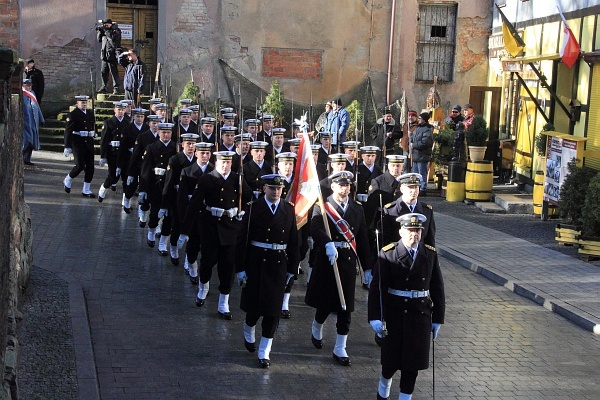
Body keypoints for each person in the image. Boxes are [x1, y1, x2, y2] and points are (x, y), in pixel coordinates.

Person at [368, 213, 445, 400]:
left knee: (413, 365)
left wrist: (437, 319)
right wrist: (375, 317)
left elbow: (437, 287)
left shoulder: (430, 254)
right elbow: (377, 288)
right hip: (395, 315)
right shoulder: (389, 253)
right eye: (410, 231)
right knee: (390, 363)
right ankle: (383, 389)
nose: (414, 235)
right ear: (401, 231)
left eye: (418, 231)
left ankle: (405, 397)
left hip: (419, 316)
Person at [305, 171, 372, 366]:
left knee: (346, 306)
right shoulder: (322, 206)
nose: (345, 188)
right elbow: (315, 228)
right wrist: (327, 243)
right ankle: (317, 325)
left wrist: (367, 267)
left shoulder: (357, 209)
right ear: (333, 186)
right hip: (327, 260)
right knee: (326, 303)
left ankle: (340, 346)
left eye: (347, 185)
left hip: (347, 261)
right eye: (341, 185)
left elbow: (363, 238)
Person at [235, 174, 300, 368]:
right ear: (264, 189)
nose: (276, 192)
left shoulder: (288, 210)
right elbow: (242, 241)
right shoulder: (253, 208)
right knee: (254, 309)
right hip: (256, 264)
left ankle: (264, 350)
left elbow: (294, 241)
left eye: (279, 189)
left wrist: (292, 268)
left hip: (277, 265)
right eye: (272, 188)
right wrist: (240, 269)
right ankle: (248, 329)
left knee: (273, 312)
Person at [179, 151, 252, 319]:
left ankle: (223, 303)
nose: (225, 166)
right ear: (216, 162)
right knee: (207, 262)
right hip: (211, 227)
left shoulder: (237, 179)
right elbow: (194, 204)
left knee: (228, 266)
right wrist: (185, 231)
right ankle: (203, 288)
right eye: (222, 163)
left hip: (231, 228)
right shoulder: (207, 179)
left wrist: (242, 212)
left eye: (228, 163)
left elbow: (250, 199)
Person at [160, 133, 199, 263]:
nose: (191, 146)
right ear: (182, 145)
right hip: (178, 198)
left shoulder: (197, 160)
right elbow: (168, 183)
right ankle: (173, 248)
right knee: (176, 225)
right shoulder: (175, 160)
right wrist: (164, 205)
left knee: (193, 227)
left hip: (194, 200)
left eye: (193, 144)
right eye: (188, 143)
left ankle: (189, 258)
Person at [138, 122, 178, 250]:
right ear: (159, 133)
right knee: (155, 212)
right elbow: (145, 169)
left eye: (168, 133)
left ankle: (163, 244)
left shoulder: (175, 148)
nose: (166, 135)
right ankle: (151, 231)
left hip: (171, 186)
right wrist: (143, 189)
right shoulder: (152, 147)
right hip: (156, 185)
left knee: (169, 216)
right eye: (163, 132)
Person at [178, 142, 214, 280]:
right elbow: (182, 200)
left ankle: (201, 276)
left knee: (207, 249)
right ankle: (192, 266)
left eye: (207, 153)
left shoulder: (214, 172)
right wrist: (184, 223)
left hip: (209, 216)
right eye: (202, 153)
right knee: (192, 247)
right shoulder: (187, 171)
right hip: (194, 215)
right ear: (196, 154)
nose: (205, 156)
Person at [126, 114, 161, 219]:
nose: (156, 126)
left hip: (158, 171)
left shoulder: (162, 137)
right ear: (149, 124)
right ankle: (142, 210)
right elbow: (135, 156)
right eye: (153, 123)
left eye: (158, 123)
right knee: (144, 193)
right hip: (144, 168)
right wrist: (131, 173)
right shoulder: (142, 136)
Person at [63, 95, 96, 197]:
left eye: (85, 103)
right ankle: (68, 178)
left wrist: (95, 133)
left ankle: (86, 189)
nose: (84, 104)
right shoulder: (73, 115)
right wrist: (67, 146)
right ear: (77, 103)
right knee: (80, 165)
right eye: (82, 103)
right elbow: (68, 131)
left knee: (90, 167)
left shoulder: (90, 114)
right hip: (78, 143)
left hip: (89, 143)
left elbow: (93, 125)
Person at [98, 102, 130, 202]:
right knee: (112, 175)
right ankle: (103, 189)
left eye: (122, 109)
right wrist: (103, 156)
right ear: (114, 110)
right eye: (118, 109)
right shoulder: (109, 122)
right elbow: (103, 140)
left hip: (124, 153)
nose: (120, 112)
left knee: (125, 176)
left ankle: (125, 201)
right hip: (112, 152)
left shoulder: (127, 122)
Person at [118, 108, 148, 213]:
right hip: (131, 159)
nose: (139, 119)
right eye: (137, 116)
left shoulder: (146, 129)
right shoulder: (127, 129)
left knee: (144, 184)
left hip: (144, 161)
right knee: (132, 184)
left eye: (141, 116)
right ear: (133, 117)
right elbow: (122, 148)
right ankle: (126, 199)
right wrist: (119, 165)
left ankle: (141, 209)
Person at [22, 78, 44, 166]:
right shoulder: (22, 94)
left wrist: (42, 119)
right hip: (26, 121)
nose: (29, 87)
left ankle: (27, 159)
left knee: (32, 141)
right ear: (23, 85)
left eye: (30, 85)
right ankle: (22, 158)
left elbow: (37, 107)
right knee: (27, 141)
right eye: (27, 85)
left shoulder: (32, 94)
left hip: (34, 121)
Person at [96, 18, 122, 94]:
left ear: (110, 24)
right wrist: (100, 31)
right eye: (104, 25)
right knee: (103, 72)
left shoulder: (116, 30)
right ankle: (104, 87)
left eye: (106, 24)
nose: (105, 26)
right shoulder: (104, 31)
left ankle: (116, 88)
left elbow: (113, 41)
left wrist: (106, 31)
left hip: (112, 55)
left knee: (114, 72)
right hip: (104, 55)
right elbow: (99, 40)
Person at [410, 112, 433, 193]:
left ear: (424, 120)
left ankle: (423, 188)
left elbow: (425, 142)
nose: (418, 120)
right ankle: (416, 187)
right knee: (415, 172)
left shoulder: (427, 129)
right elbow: (412, 137)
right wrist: (411, 142)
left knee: (422, 172)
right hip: (416, 154)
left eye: (420, 118)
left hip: (423, 154)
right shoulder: (418, 128)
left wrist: (414, 145)